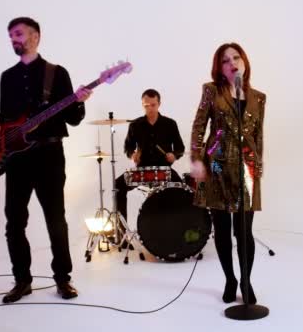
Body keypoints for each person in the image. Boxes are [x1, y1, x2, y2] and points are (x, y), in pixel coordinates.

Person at [0, 17, 92, 303]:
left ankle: (63, 279)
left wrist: (78, 99)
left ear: (36, 36)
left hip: (49, 155)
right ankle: (22, 281)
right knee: (14, 222)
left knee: (56, 219)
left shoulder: (57, 74)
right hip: (17, 159)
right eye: (10, 36)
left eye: (18, 34)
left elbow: (73, 119)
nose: (14, 39)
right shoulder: (7, 77)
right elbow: (7, 117)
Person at [190, 43, 266, 304]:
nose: (232, 62)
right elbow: (199, 127)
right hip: (217, 167)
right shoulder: (211, 91)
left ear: (244, 61)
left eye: (236, 57)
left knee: (244, 232)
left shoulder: (258, 97)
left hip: (247, 169)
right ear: (219, 67)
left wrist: (259, 165)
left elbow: (258, 136)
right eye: (225, 60)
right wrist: (196, 160)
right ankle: (229, 279)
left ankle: (245, 280)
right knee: (222, 230)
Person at [114, 89, 185, 235]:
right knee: (118, 186)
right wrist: (132, 154)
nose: (150, 109)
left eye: (153, 105)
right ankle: (122, 232)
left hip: (163, 170)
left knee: (181, 190)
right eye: (146, 106)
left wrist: (174, 155)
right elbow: (128, 147)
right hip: (142, 171)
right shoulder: (135, 125)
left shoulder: (170, 124)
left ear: (159, 104)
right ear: (142, 105)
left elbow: (180, 148)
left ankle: (179, 229)